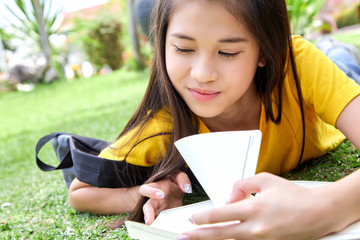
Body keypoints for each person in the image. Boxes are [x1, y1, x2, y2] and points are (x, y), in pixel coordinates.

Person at [68, 0, 360, 239]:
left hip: (331, 77)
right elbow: (80, 193)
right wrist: (153, 193)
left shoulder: (296, 65)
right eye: (183, 48)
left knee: (344, 63)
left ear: (264, 50)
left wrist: (328, 208)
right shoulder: (163, 124)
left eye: (228, 52)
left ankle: (336, 48)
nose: (202, 74)